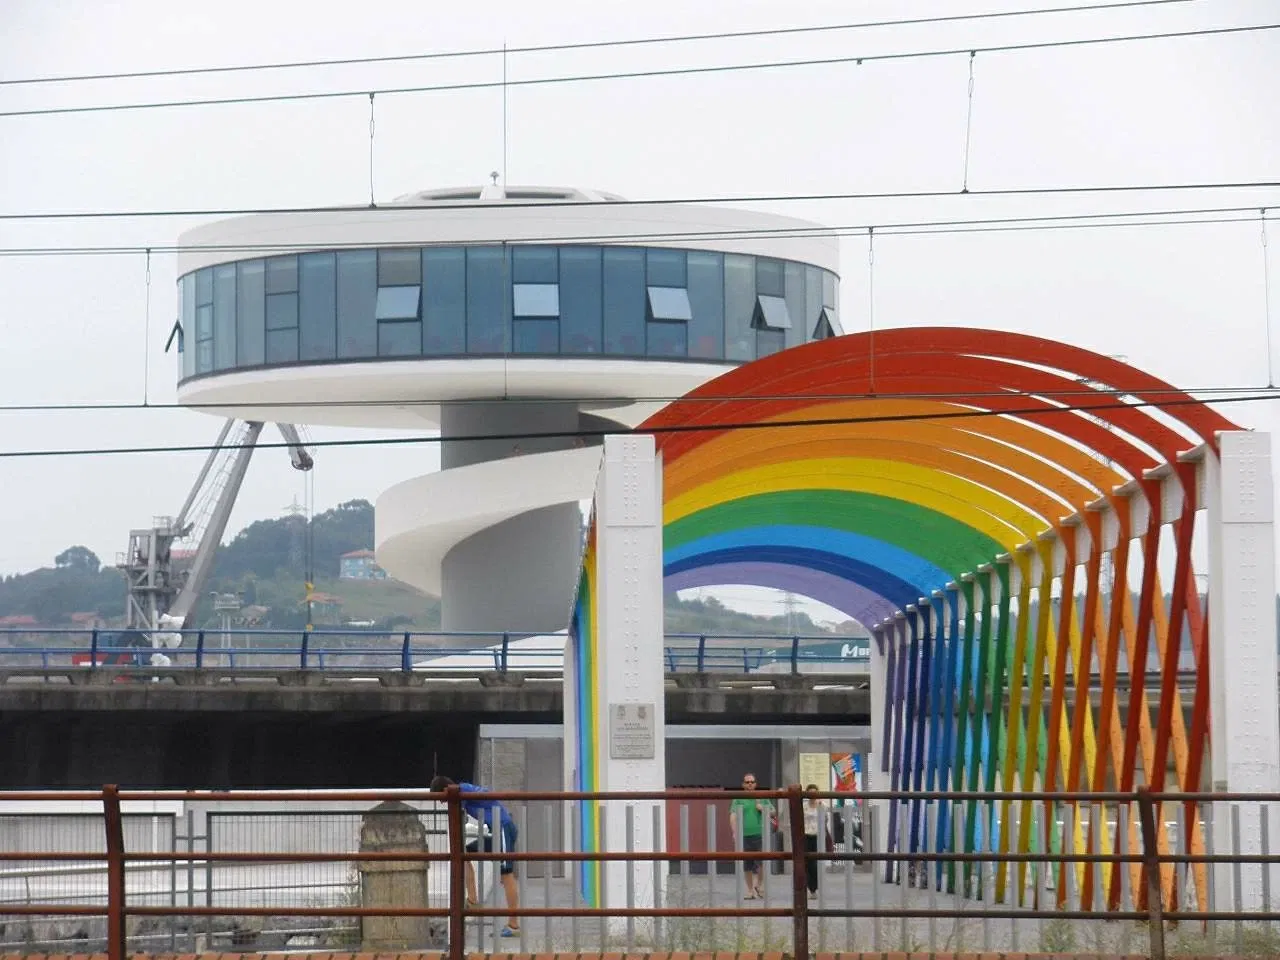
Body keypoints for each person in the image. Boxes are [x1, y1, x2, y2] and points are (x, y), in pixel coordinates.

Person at [431, 775, 520, 937]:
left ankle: (513, 924)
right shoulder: (464, 789)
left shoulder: (461, 792)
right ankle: (473, 900)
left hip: (502, 827)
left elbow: (459, 815)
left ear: (446, 790)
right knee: (464, 853)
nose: (443, 802)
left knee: (506, 874)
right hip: (496, 829)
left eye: (441, 798)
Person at [728, 772, 774, 900]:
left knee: (762, 862)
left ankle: (759, 885)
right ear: (743, 784)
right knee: (747, 864)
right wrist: (734, 832)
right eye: (747, 782)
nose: (749, 784)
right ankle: (749, 890)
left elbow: (773, 812)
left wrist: (762, 808)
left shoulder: (762, 797)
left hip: (760, 834)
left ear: (755, 784)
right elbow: (733, 815)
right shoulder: (738, 798)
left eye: (752, 782)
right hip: (744, 835)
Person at [801, 784, 831, 899]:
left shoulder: (822, 805)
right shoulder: (803, 806)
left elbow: (826, 820)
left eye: (815, 792)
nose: (813, 795)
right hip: (806, 835)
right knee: (807, 863)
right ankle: (811, 888)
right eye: (810, 793)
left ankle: (814, 887)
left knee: (816, 863)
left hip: (818, 836)